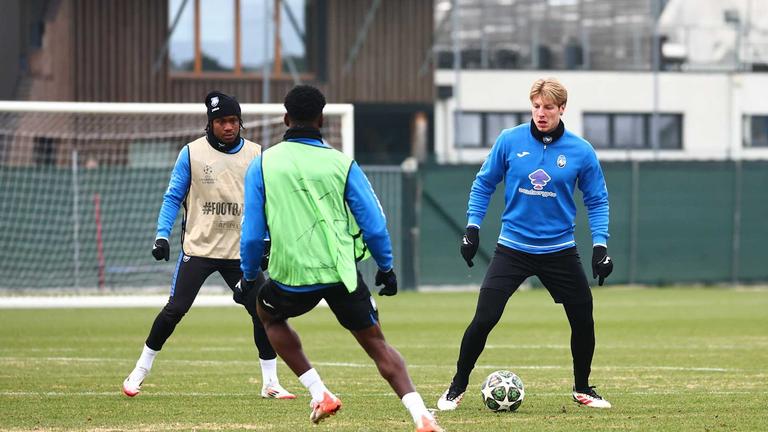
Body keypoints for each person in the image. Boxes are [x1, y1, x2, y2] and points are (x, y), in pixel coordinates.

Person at [239, 85, 443, 431]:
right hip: (341, 273)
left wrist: (247, 275)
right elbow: (375, 225)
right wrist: (386, 266)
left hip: (293, 275)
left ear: (286, 119)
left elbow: (252, 233)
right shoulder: (341, 163)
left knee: (267, 315)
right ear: (321, 119)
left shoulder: (262, 165)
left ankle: (320, 393)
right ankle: (421, 415)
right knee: (378, 345)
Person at [437, 78, 614, 411]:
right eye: (536, 106)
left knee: (583, 317)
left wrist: (600, 247)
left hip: (559, 250)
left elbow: (598, 200)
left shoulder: (581, 151)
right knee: (484, 318)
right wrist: (472, 228)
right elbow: (483, 184)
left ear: (562, 108)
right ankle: (456, 387)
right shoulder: (509, 141)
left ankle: (582, 389)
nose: (541, 113)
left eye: (548, 107)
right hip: (513, 249)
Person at [122, 91, 294, 400]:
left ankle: (270, 383)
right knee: (175, 309)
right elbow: (173, 196)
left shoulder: (256, 154)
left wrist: (267, 240)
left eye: (233, 121)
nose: (228, 127)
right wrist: (162, 235)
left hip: (239, 253)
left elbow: (268, 202)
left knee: (264, 311)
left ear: (240, 123)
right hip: (199, 249)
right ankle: (139, 371)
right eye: (221, 121)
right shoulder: (191, 153)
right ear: (210, 123)